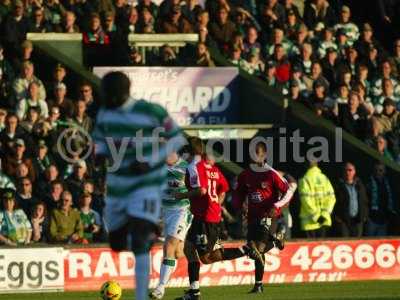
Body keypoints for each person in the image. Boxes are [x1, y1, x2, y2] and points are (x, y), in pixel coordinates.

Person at [92, 71, 184, 300]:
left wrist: (150, 161)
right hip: (118, 187)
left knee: (141, 241)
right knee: (117, 243)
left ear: (119, 92)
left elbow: (177, 138)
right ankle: (143, 229)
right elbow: (100, 144)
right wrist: (99, 157)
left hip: (145, 184)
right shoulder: (105, 114)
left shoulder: (150, 111)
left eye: (107, 92)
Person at [176, 137, 262, 300]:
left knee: (206, 257)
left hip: (205, 218)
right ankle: (194, 292)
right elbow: (223, 189)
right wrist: (216, 205)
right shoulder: (212, 168)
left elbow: (201, 191)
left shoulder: (194, 167)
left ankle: (247, 249)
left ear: (189, 151)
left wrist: (181, 195)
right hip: (207, 216)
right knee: (189, 248)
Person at [232, 142, 296, 293]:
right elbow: (239, 191)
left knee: (258, 248)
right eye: (253, 154)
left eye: (259, 154)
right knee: (254, 251)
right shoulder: (246, 174)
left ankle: (273, 241)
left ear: (264, 155)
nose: (255, 157)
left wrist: (277, 206)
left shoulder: (271, 173)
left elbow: (289, 191)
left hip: (268, 215)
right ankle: (258, 284)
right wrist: (240, 205)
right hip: (252, 216)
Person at [150, 151, 192, 299]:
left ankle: (160, 288)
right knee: (178, 253)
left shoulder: (186, 168)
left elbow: (197, 189)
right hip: (165, 212)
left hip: (181, 211)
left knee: (169, 246)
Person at [299, 160, 336, 238]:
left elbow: (306, 200)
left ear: (305, 165)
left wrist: (316, 216)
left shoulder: (304, 179)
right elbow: (331, 198)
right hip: (324, 221)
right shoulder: (324, 178)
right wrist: (324, 215)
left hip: (309, 223)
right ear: (317, 165)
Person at [333, 162, 369, 237]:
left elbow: (365, 200)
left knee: (357, 244)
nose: (347, 172)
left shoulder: (360, 184)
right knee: (345, 244)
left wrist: (364, 214)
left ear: (354, 171)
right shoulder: (338, 185)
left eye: (350, 170)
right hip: (344, 221)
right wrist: (337, 216)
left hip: (358, 220)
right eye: (345, 170)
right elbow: (333, 201)